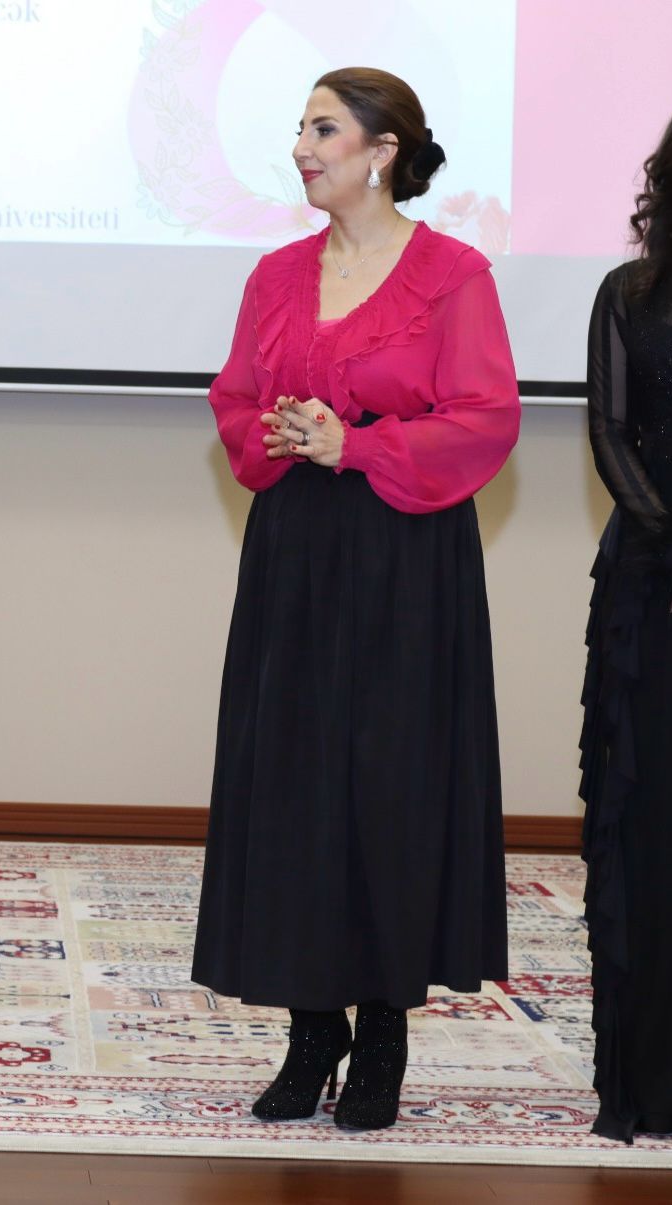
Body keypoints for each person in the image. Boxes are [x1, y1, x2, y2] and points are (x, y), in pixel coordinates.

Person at [191, 67, 520, 1131]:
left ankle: (382, 1030)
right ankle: (309, 1026)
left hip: (404, 556)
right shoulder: (276, 275)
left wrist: (359, 442)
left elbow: (485, 417)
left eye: (322, 128)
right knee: (293, 781)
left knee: (389, 782)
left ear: (382, 151)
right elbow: (236, 396)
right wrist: (282, 435)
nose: (301, 146)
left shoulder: (454, 273)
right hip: (295, 547)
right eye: (299, 127)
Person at [579, 88, 672, 1144]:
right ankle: (658, 1075)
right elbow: (611, 433)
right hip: (657, 586)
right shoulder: (630, 290)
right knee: (659, 825)